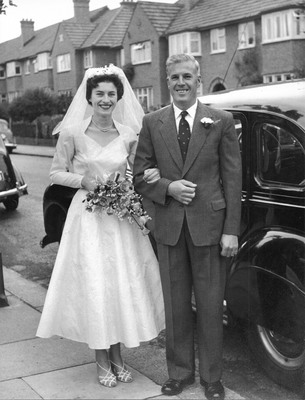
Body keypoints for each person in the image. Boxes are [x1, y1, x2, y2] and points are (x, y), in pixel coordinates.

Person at [36, 65, 165, 389]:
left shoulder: (128, 134)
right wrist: (83, 180)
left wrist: (145, 179)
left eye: (111, 94)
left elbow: (136, 174)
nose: (105, 100)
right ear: (89, 98)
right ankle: (101, 359)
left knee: (119, 284)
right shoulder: (73, 133)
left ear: (118, 98)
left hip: (119, 217)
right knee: (96, 284)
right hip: (88, 219)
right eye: (100, 95)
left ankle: (118, 356)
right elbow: (55, 173)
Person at [133, 54, 242, 400]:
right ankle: (179, 374)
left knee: (211, 306)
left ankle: (212, 379)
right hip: (169, 228)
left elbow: (232, 178)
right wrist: (168, 188)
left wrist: (231, 230)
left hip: (210, 228)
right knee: (176, 305)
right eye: (174, 77)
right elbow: (139, 177)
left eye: (187, 77)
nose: (181, 82)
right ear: (167, 81)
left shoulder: (221, 121)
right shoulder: (153, 122)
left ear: (198, 79)